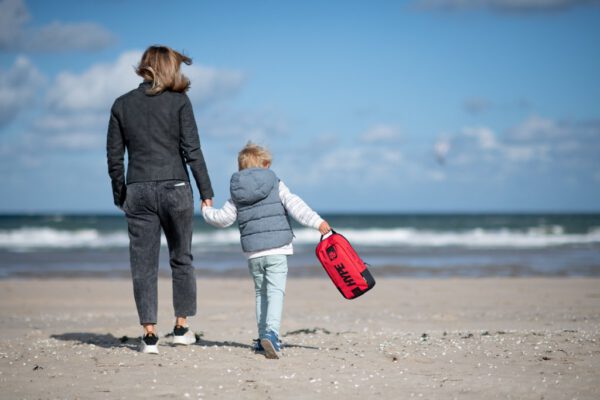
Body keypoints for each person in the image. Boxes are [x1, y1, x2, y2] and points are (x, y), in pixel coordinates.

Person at [107, 45, 214, 354]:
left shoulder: (122, 105)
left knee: (143, 264)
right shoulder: (180, 102)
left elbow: (115, 158)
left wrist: (120, 194)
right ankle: (181, 328)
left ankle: (149, 335)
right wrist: (206, 192)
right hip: (176, 186)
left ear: (146, 66)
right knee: (182, 258)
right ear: (169, 68)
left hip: (137, 188)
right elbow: (192, 151)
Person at [202, 142, 331, 359]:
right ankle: (271, 334)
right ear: (266, 164)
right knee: (275, 292)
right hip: (278, 248)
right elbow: (296, 206)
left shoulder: (237, 191)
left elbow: (223, 219)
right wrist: (318, 222)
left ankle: (262, 338)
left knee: (261, 293)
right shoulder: (275, 183)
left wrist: (206, 210)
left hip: (254, 253)